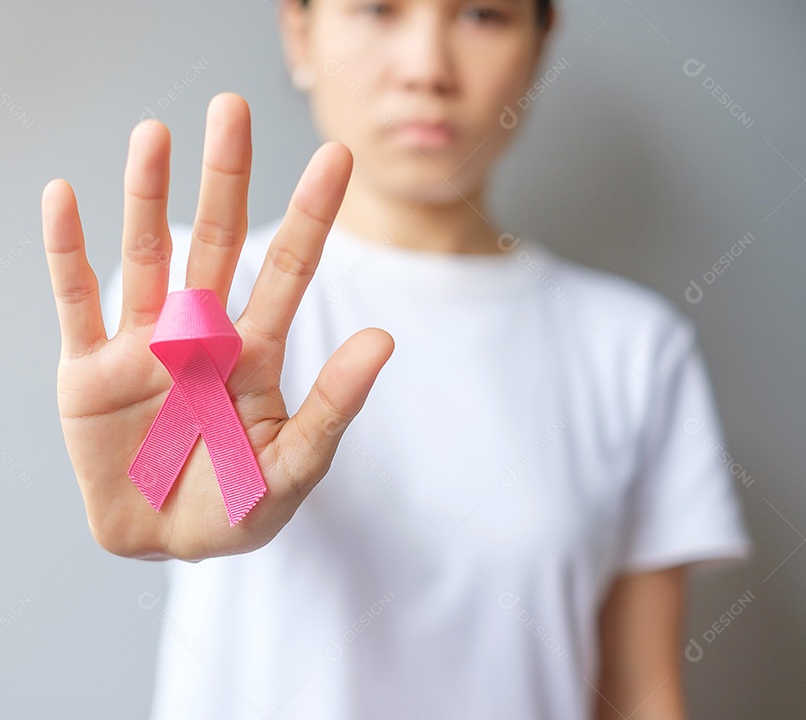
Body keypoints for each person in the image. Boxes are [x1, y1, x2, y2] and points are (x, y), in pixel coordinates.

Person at [39, 0, 753, 717]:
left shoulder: (634, 349)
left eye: (483, 15)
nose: (427, 69)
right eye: (378, 9)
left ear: (538, 46)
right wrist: (151, 509)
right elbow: (159, 500)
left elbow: (640, 696)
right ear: (299, 32)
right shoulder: (198, 308)